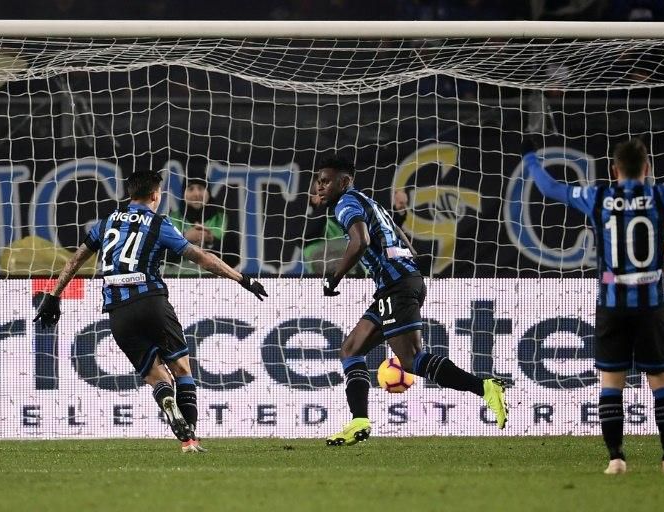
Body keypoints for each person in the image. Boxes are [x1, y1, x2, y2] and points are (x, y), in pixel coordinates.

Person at [522, 134, 664, 475]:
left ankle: (616, 458)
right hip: (652, 304)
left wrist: (531, 157)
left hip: (613, 303)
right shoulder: (661, 195)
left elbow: (550, 188)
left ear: (614, 169)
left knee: (612, 383)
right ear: (647, 168)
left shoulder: (598, 198)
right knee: (661, 380)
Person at [33, 170, 267, 452]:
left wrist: (53, 296)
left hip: (118, 311)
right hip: (152, 302)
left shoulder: (106, 223)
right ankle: (190, 440)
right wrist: (242, 279)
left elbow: (75, 261)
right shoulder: (158, 223)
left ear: (130, 194)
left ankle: (167, 402)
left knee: (156, 377)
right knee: (182, 370)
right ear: (156, 195)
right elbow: (202, 257)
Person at [315, 156, 507, 446]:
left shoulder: (346, 204)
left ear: (344, 182)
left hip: (397, 285)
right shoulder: (367, 201)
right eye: (319, 181)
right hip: (400, 282)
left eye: (326, 181)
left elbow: (361, 241)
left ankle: (484, 387)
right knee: (351, 349)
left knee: (412, 360)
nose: (320, 186)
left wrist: (335, 277)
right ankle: (359, 421)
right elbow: (395, 237)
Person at [166, 177, 230, 275]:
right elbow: (165, 256)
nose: (196, 194)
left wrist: (211, 240)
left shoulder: (222, 218)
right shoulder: (172, 218)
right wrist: (185, 238)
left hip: (216, 280)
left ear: (208, 192)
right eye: (191, 189)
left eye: (200, 188)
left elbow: (234, 257)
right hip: (178, 279)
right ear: (184, 193)